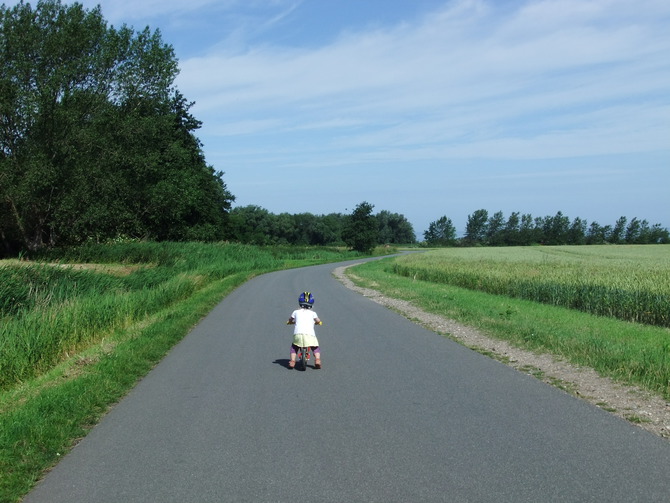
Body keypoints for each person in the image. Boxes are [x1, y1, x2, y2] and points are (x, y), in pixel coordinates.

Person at [286, 291, 322, 369]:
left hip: (298, 334)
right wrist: (318, 322)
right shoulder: (313, 313)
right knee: (315, 347)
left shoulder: (295, 312)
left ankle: (292, 361)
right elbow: (318, 320)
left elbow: (290, 319)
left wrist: (290, 322)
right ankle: (317, 360)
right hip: (310, 335)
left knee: (294, 347)